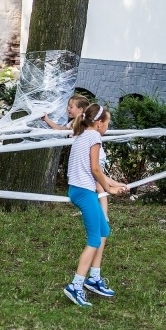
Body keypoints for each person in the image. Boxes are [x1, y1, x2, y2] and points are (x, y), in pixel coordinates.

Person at [63, 104, 128, 308]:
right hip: (84, 192)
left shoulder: (82, 135)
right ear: (99, 123)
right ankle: (75, 285)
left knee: (103, 231)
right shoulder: (94, 137)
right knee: (93, 239)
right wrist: (110, 189)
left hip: (79, 189)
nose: (108, 125)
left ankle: (93, 279)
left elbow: (94, 170)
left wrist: (115, 184)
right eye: (108, 122)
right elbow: (95, 169)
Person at [42, 95, 115, 220]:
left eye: (71, 107)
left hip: (96, 157)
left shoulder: (83, 124)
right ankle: (89, 209)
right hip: (85, 158)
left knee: (98, 184)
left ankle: (104, 214)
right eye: (68, 106)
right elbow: (61, 130)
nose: (68, 109)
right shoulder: (74, 123)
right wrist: (47, 120)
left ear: (81, 110)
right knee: (88, 184)